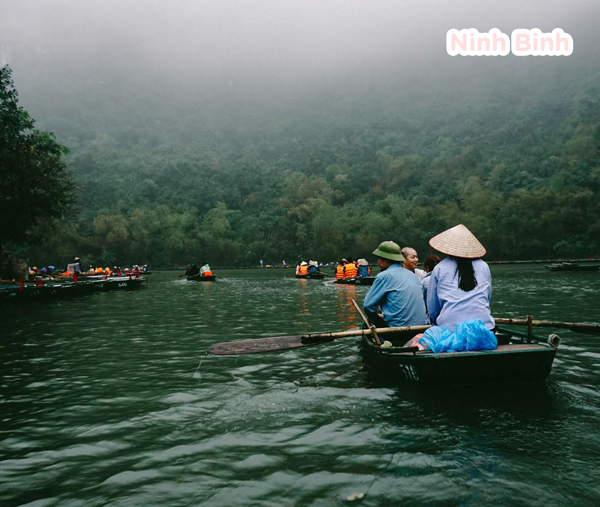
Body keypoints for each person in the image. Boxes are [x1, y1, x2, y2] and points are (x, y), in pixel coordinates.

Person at [427, 224, 494, 331]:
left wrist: (434, 321)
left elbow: (433, 306)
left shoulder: (440, 268)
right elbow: (487, 297)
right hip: (484, 327)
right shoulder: (484, 266)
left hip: (449, 328)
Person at [363, 241, 428, 328]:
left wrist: (378, 323)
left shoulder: (384, 276)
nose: (378, 262)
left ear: (385, 260)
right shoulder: (413, 276)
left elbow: (368, 306)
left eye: (379, 258)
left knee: (367, 324)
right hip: (420, 328)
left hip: (397, 331)